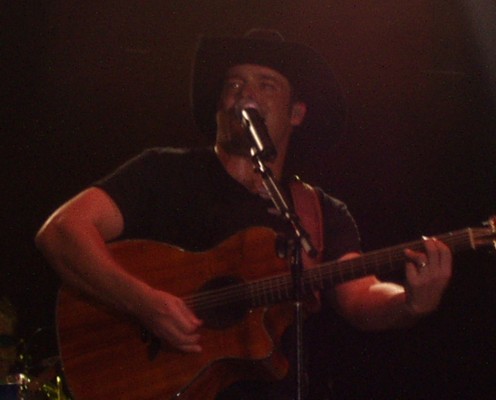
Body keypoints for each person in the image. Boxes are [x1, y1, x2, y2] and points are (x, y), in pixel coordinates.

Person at [35, 29, 452, 399]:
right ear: (220, 106)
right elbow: (63, 231)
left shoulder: (317, 211)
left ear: (296, 114)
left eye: (266, 84)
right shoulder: (163, 172)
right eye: (234, 83)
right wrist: (143, 303)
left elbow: (359, 294)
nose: (245, 92)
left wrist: (410, 302)